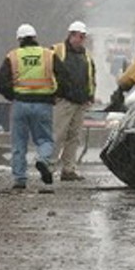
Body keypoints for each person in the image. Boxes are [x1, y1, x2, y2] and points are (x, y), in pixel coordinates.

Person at [0, 24, 70, 189]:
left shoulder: (13, 56)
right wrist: (56, 95)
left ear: (19, 39)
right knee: (44, 140)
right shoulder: (48, 55)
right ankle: (42, 160)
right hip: (43, 104)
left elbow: (1, 81)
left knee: (18, 143)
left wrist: (12, 95)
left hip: (20, 104)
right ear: (35, 38)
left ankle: (20, 180)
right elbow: (64, 76)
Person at [52, 21, 97, 181]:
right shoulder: (57, 50)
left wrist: (90, 96)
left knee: (74, 136)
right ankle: (49, 167)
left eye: (84, 37)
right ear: (71, 35)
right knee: (58, 134)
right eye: (80, 36)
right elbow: (48, 72)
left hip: (80, 101)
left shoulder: (86, 55)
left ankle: (68, 169)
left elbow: (91, 76)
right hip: (64, 100)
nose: (82, 40)